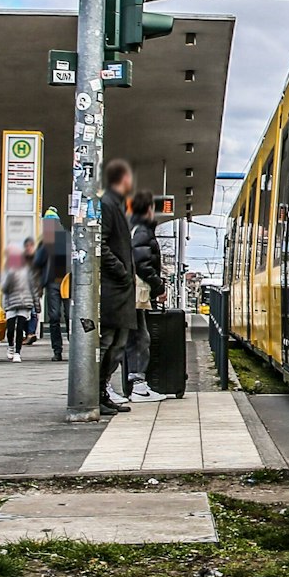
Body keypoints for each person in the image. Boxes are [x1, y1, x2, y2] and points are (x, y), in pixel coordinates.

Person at [97, 159, 138, 416]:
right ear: (121, 180)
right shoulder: (108, 205)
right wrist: (122, 273)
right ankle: (96, 392)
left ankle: (102, 391)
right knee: (108, 343)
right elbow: (100, 246)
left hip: (119, 291)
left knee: (117, 345)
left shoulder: (115, 205)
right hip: (113, 290)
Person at [124, 190, 169, 401]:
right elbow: (142, 262)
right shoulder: (142, 230)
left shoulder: (134, 228)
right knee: (139, 338)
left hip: (133, 291)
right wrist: (158, 285)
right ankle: (138, 385)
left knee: (134, 338)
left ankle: (136, 384)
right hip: (137, 291)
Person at [33, 210, 68, 362]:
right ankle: (59, 350)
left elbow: (37, 261)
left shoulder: (65, 237)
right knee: (61, 317)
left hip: (63, 282)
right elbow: (37, 261)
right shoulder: (50, 240)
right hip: (58, 282)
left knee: (61, 317)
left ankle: (61, 350)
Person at [0, 245, 37, 362]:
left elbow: (33, 287)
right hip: (11, 302)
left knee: (20, 327)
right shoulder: (7, 270)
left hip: (24, 302)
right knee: (10, 328)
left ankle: (17, 352)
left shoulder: (27, 271)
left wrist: (36, 304)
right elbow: (4, 288)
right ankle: (10, 346)